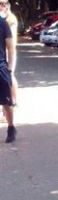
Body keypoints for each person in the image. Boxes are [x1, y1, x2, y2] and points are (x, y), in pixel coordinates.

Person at [0, 0, 18, 112]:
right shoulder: (4, 19)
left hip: (8, 52)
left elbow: (12, 40)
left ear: (6, 7)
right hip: (3, 52)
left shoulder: (10, 19)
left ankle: (13, 101)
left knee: (10, 77)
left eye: (1, 6)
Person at [0, 13, 16, 143]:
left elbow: (10, 47)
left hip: (1, 67)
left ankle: (11, 127)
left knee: (6, 102)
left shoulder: (2, 23)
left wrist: (10, 67)